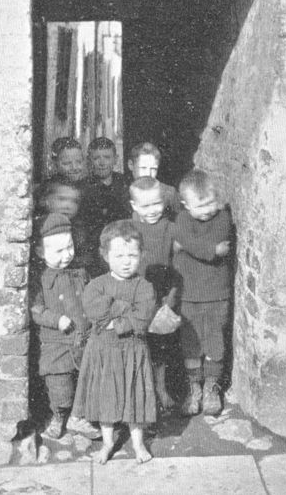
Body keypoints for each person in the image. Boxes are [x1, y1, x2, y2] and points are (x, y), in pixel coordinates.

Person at [71, 219, 156, 464]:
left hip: (132, 351)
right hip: (104, 352)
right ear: (105, 256)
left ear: (142, 255)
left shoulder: (145, 287)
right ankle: (108, 442)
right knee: (106, 396)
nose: (126, 261)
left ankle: (138, 442)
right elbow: (94, 311)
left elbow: (141, 317)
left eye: (132, 255)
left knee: (134, 396)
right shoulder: (96, 285)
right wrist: (124, 309)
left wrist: (115, 318)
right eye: (119, 255)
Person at [29, 211, 100, 440]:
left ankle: (79, 418)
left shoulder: (80, 272)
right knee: (60, 386)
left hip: (82, 337)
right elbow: (36, 309)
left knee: (84, 381)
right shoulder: (40, 279)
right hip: (57, 344)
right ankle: (59, 415)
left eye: (69, 247)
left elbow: (90, 297)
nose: (66, 255)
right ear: (41, 252)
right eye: (58, 251)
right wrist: (55, 319)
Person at [173, 169, 233, 417]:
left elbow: (220, 243)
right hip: (189, 295)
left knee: (214, 342)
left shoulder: (221, 218)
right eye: (201, 205)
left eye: (211, 202)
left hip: (216, 293)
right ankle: (193, 388)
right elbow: (183, 238)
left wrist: (186, 246)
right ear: (185, 205)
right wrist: (208, 248)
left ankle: (212, 387)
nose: (208, 209)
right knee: (191, 344)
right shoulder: (182, 221)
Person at [129, 176, 179, 410]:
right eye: (145, 206)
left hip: (161, 298)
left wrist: (169, 301)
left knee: (160, 348)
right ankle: (141, 393)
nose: (152, 210)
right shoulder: (130, 229)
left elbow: (178, 267)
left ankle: (161, 388)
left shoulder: (170, 228)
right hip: (136, 301)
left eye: (157, 204)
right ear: (134, 206)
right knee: (137, 347)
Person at [37, 175, 102, 277]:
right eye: (61, 199)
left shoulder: (79, 230)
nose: (68, 206)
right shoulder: (40, 227)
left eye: (74, 201)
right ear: (44, 200)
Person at [81, 137, 127, 260]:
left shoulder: (124, 183)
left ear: (116, 159)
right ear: (89, 161)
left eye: (107, 157)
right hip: (93, 248)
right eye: (96, 158)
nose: (102, 163)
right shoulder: (83, 187)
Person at [127, 141, 181, 219]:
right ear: (131, 165)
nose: (148, 174)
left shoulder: (169, 193)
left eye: (153, 169)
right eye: (143, 168)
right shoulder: (123, 192)